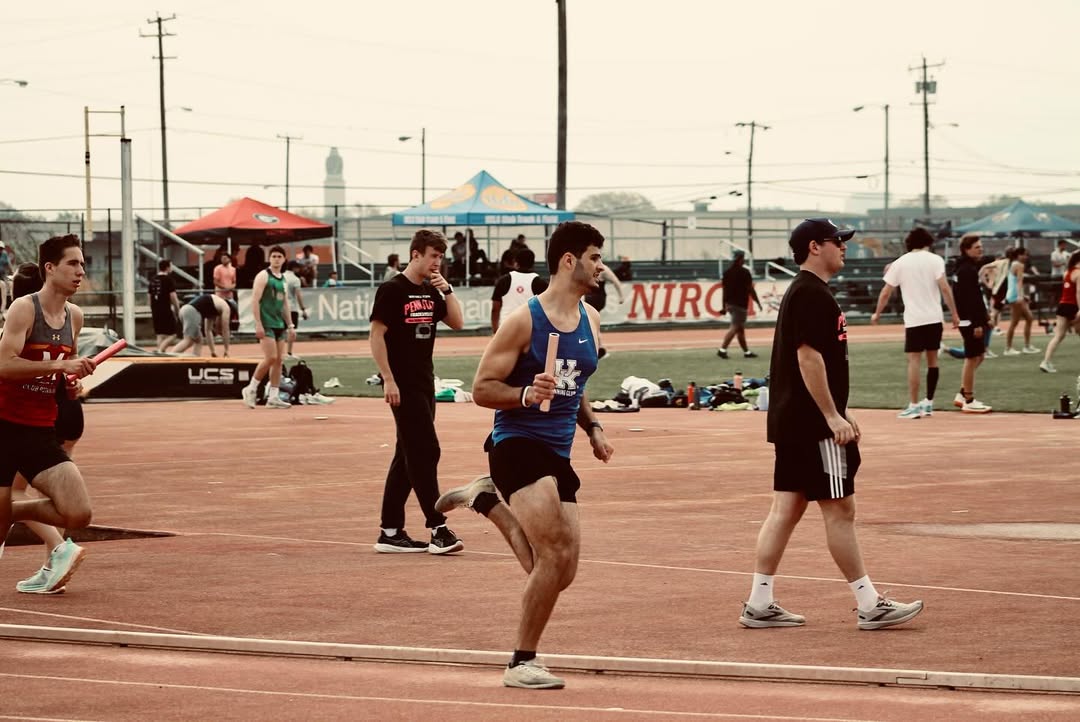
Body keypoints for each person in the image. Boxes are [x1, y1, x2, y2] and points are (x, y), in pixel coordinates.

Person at [438, 220, 614, 690]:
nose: (602, 266)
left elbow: (573, 383)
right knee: (553, 553)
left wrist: (594, 428)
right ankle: (521, 662)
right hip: (516, 443)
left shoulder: (591, 319)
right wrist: (524, 394)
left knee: (560, 570)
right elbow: (481, 389)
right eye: (595, 257)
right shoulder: (524, 321)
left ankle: (486, 501)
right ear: (569, 261)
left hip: (559, 450)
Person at [739, 218, 923, 634]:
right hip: (812, 426)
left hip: (793, 420)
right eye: (837, 241)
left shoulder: (805, 291)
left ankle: (759, 602)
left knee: (786, 509)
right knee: (840, 509)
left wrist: (841, 408)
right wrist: (831, 415)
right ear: (814, 246)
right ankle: (869, 604)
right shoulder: (811, 293)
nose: (844, 247)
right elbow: (808, 357)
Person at [0, 234, 97, 593]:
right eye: (73, 263)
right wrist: (62, 365)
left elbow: (60, 372)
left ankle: (9, 511)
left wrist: (70, 383)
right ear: (50, 268)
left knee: (78, 513)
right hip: (4, 424)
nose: (80, 271)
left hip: (40, 428)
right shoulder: (24, 308)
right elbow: (4, 365)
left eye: (83, 264)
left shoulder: (75, 316)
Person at [368, 229, 465, 554]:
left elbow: (457, 322)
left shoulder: (430, 290)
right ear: (416, 254)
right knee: (425, 450)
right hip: (402, 384)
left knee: (407, 454)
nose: (438, 262)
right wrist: (388, 379)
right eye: (433, 256)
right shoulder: (393, 289)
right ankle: (438, 528)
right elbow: (376, 335)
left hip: (425, 382)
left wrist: (447, 290)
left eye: (441, 257)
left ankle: (390, 531)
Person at [870, 227, 960, 419]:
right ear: (928, 242)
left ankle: (913, 405)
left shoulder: (900, 263)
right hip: (934, 317)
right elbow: (945, 288)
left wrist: (877, 313)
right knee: (933, 360)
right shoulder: (935, 260)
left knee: (914, 361)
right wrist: (954, 314)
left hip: (914, 319)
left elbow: (886, 292)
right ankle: (929, 402)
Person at [240, 246, 294, 409]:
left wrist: (290, 325)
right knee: (270, 357)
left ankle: (273, 397)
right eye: (273, 256)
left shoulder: (283, 279)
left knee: (278, 361)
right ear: (269, 259)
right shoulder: (263, 276)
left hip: (279, 323)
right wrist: (258, 323)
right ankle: (251, 388)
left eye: (279, 256)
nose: (276, 259)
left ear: (284, 259)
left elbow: (285, 304)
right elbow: (255, 300)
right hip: (266, 322)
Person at [949, 235, 993, 413]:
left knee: (979, 355)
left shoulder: (965, 267)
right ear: (966, 250)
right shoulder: (966, 270)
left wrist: (985, 317)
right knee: (972, 357)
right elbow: (968, 300)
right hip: (969, 320)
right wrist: (976, 324)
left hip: (970, 318)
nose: (980, 249)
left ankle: (962, 394)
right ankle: (968, 399)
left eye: (981, 246)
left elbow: (975, 297)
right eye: (976, 247)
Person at [717, 250, 762, 359]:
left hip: (730, 304)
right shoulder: (745, 272)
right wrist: (757, 302)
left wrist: (724, 306)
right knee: (735, 327)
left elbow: (724, 291)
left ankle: (746, 352)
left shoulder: (727, 273)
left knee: (740, 329)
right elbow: (750, 289)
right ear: (741, 259)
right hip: (740, 305)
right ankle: (722, 349)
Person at [491, 247, 547, 334]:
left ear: (516, 263)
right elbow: (547, 309)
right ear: (533, 263)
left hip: (506, 328)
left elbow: (495, 308)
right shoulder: (540, 283)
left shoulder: (503, 281)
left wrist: (495, 331)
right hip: (529, 329)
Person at [1040, 251, 1080, 373]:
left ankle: (1046, 362)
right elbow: (1079, 292)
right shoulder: (1078, 273)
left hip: (1063, 305)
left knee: (1058, 336)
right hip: (1073, 306)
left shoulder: (1066, 272)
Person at [170, 293, 232, 358]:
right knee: (188, 340)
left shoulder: (213, 306)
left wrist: (213, 351)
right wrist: (226, 350)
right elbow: (225, 329)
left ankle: (196, 359)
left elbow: (208, 330)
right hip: (191, 312)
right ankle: (170, 358)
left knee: (198, 340)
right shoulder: (226, 307)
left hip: (184, 310)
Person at [1003, 247, 1039, 356]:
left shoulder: (1014, 264)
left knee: (1029, 318)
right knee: (1014, 322)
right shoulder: (1019, 265)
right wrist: (1019, 296)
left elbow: (1016, 282)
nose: (1026, 257)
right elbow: (1019, 282)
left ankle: (1026, 346)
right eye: (1024, 255)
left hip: (1014, 295)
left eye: (1027, 255)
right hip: (1015, 296)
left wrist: (1023, 295)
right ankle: (1008, 348)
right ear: (1018, 255)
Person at [148, 259, 181, 352]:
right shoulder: (168, 280)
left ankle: (160, 352)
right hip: (166, 309)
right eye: (171, 266)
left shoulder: (153, 279)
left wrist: (152, 308)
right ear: (167, 267)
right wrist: (177, 309)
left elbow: (149, 296)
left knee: (160, 334)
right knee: (173, 334)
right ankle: (160, 350)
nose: (172, 268)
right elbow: (173, 297)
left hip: (155, 310)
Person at [283, 260, 308, 361]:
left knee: (280, 330)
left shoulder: (281, 276)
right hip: (291, 307)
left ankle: (278, 351)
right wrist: (303, 309)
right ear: (294, 268)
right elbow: (298, 295)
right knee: (291, 331)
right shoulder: (295, 279)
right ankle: (289, 352)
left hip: (279, 307)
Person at [0, 241, 12, 315]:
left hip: (3, 275)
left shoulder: (4, 255)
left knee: (5, 289)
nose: (0, 250)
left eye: (1, 248)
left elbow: (9, 264)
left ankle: (3, 309)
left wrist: (12, 272)